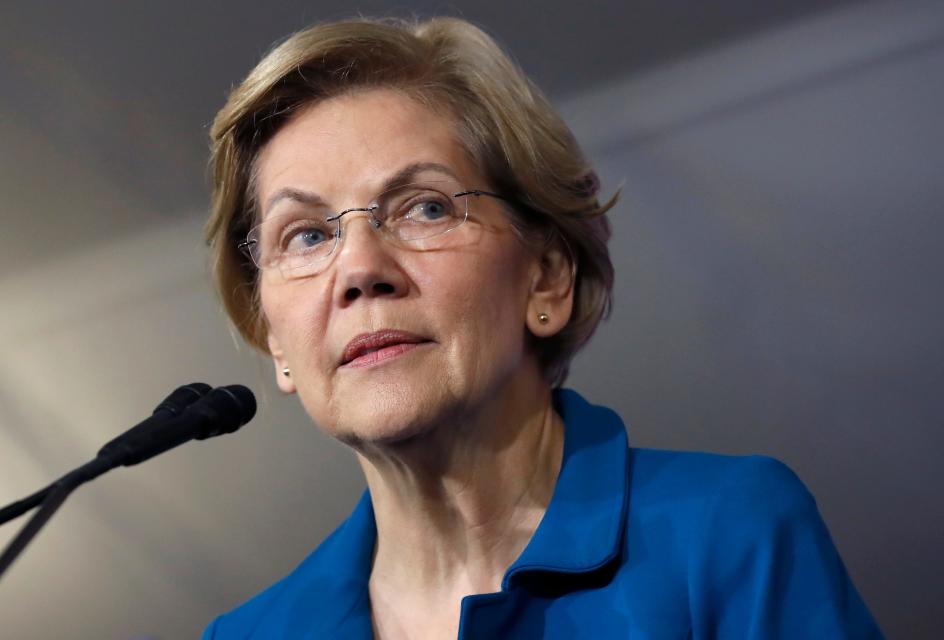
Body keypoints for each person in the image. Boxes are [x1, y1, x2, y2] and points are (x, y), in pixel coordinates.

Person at [200, 16, 883, 640]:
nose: (360, 269)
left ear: (547, 277)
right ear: (276, 343)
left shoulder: (730, 534)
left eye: (426, 208)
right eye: (308, 234)